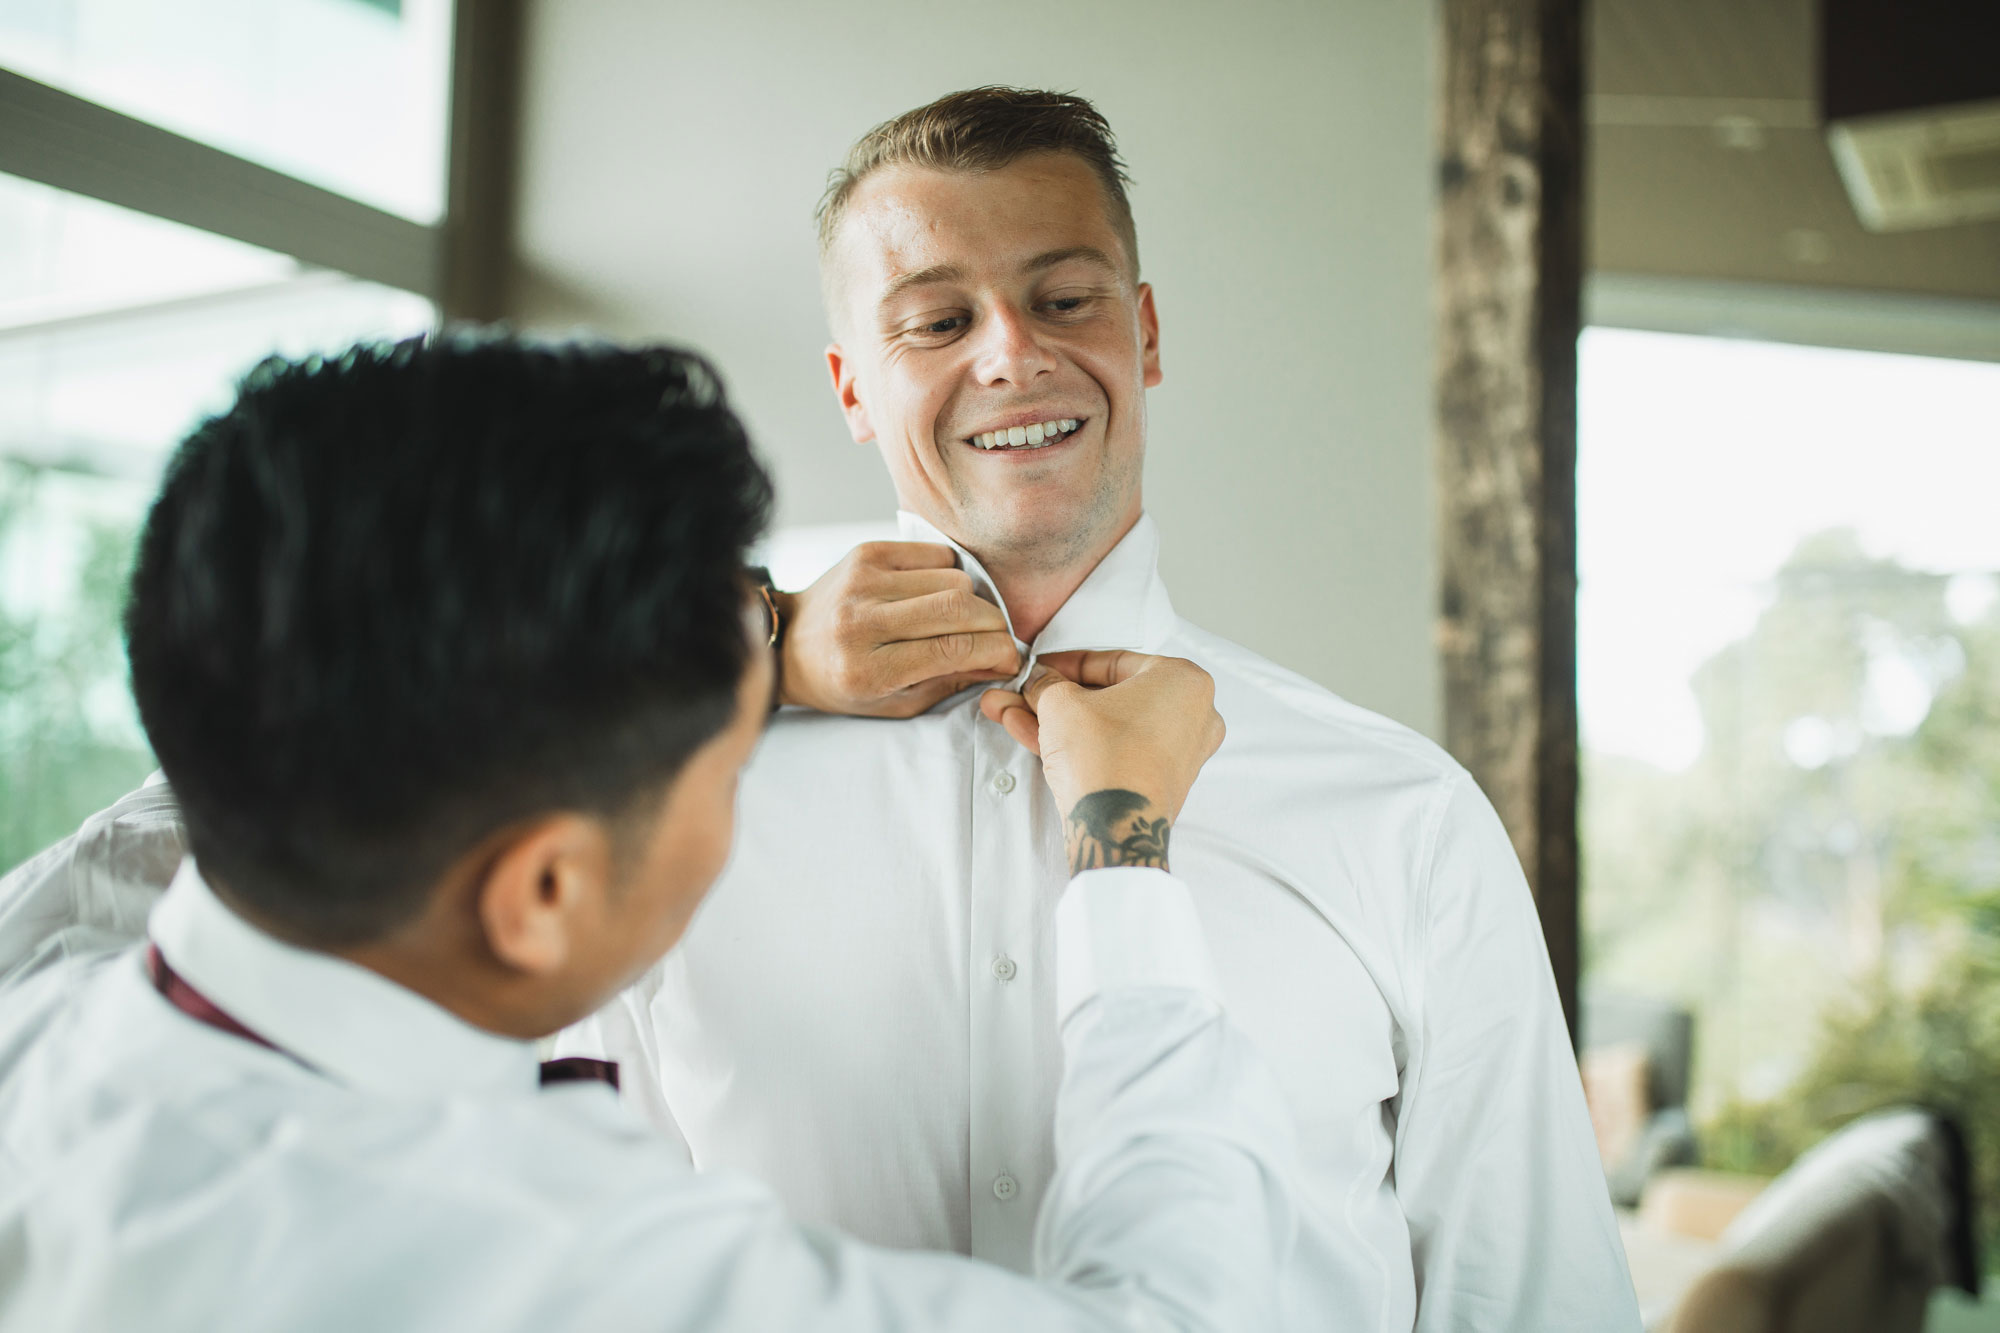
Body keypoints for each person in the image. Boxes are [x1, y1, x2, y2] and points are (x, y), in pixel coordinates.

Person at [561, 88, 1640, 1330]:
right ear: (851, 387)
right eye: (936, 319)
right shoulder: (666, 796)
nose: (1010, 352)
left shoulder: (1404, 813)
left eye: (1063, 299)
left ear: (1144, 332)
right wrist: (758, 642)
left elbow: (1534, 1298)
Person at [0, 337, 1301, 1330]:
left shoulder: (44, 991)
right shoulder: (588, 1278)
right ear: (545, 891)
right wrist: (1122, 844)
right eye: (732, 759)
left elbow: (221, 768)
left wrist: (772, 651)